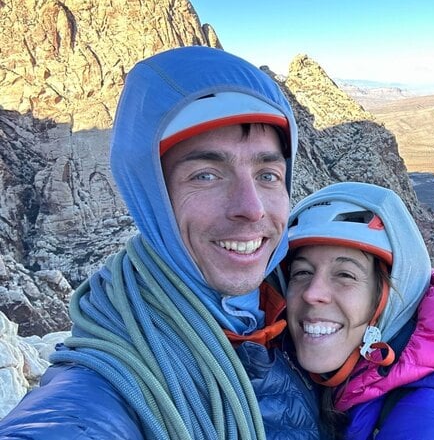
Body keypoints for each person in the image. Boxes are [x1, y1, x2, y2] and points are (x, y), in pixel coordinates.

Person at [0, 46, 321, 439]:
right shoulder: (105, 390)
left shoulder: (302, 309)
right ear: (150, 195)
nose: (251, 209)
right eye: (206, 175)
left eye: (268, 174)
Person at [284, 181, 434, 439]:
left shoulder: (429, 427)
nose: (312, 293)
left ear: (394, 298)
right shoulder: (347, 380)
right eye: (301, 272)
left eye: (345, 275)